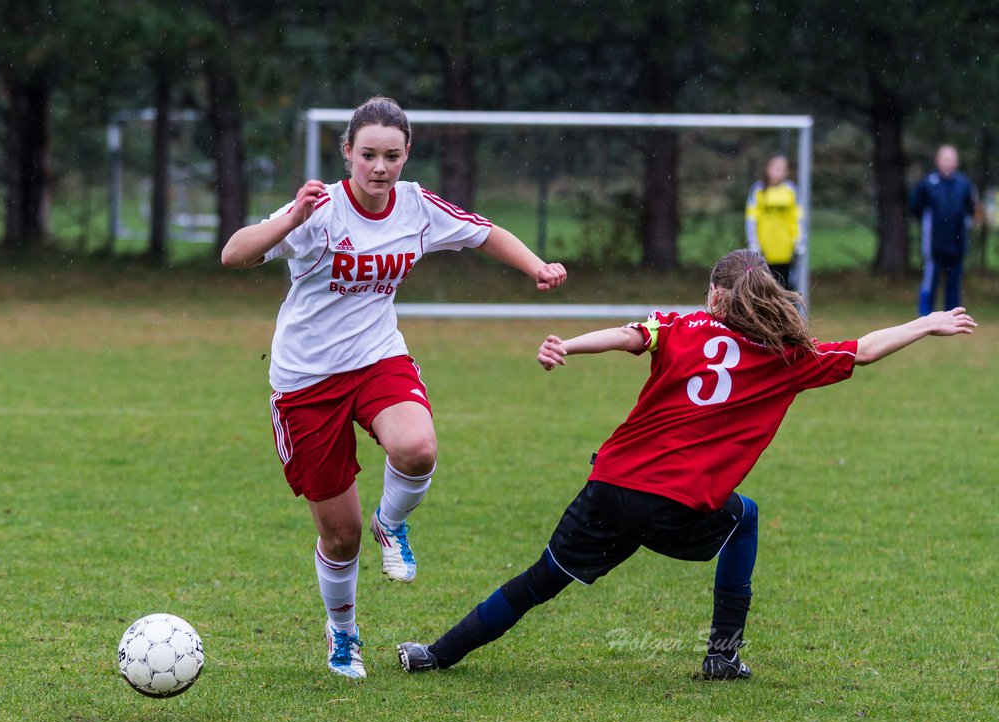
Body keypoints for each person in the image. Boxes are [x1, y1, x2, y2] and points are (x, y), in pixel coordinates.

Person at [397, 248, 976, 680]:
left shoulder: (679, 326)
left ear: (718, 297)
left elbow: (625, 337)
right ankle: (723, 655)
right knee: (743, 517)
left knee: (539, 582)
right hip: (679, 507)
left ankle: (436, 654)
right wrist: (926, 323)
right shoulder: (786, 357)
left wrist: (567, 345)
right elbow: (866, 349)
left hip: (611, 487)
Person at [221, 96, 567, 679]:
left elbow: (484, 234)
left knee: (417, 447)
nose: (379, 167)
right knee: (340, 535)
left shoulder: (415, 207)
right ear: (347, 155)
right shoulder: (320, 208)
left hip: (379, 359)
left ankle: (394, 522)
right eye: (368, 155)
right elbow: (234, 254)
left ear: (406, 156)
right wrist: (290, 220)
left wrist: (535, 266)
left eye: (391, 155)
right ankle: (343, 631)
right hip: (306, 382)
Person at [911, 145, 981, 316]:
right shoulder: (927, 183)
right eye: (945, 159)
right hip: (934, 245)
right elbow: (916, 207)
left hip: (957, 244)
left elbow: (973, 209)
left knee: (954, 283)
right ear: (938, 161)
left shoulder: (964, 184)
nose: (948, 163)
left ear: (956, 162)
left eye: (951, 159)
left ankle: (953, 315)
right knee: (930, 281)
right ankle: (925, 314)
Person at [744, 154, 804, 290]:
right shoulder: (758, 190)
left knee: (786, 288)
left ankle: (787, 311)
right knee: (764, 288)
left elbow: (797, 218)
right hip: (764, 250)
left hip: (785, 250)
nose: (780, 172)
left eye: (783, 169)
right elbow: (751, 219)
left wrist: (799, 240)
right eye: (776, 168)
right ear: (768, 169)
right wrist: (753, 242)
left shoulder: (791, 190)